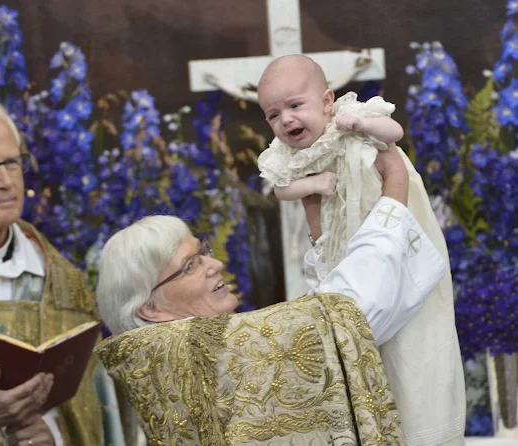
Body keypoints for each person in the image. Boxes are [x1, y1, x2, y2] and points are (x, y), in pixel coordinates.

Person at [95, 144, 446, 445]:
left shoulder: (158, 358)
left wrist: (320, 236)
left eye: (202, 252)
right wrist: (395, 190)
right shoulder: (193, 348)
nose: (213, 265)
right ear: (151, 308)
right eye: (189, 266)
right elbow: (344, 318)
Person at [256, 54, 466, 446]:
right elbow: (283, 189)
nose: (285, 120)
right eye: (273, 114)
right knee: (366, 344)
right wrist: (314, 185)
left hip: (396, 233)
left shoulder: (350, 119)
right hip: (348, 247)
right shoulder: (291, 156)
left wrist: (362, 124)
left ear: (326, 101)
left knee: (416, 339)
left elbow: (394, 131)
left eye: (295, 105)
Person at [0, 94, 125, 446]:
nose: (5, 181)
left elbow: (97, 406)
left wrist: (55, 437)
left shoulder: (63, 283)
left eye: (13, 163)